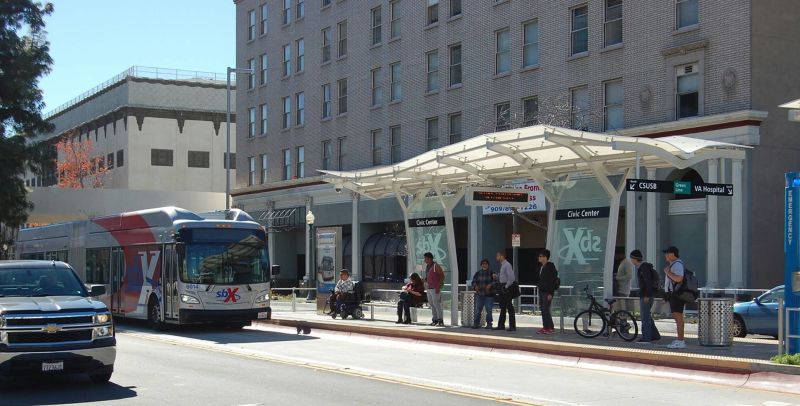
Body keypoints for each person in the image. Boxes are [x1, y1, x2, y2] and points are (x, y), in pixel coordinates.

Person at [631, 249, 661, 343]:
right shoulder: (644, 267)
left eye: (631, 258)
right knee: (647, 316)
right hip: (647, 294)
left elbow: (647, 282)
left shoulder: (643, 268)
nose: (631, 260)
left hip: (646, 295)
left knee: (645, 318)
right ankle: (655, 335)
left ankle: (646, 338)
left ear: (634, 258)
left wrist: (647, 295)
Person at [662, 246, 686, 349]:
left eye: (667, 253)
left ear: (672, 254)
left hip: (677, 295)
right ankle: (679, 339)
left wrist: (668, 272)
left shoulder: (677, 265)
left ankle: (681, 341)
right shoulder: (674, 264)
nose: (665, 256)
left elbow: (679, 278)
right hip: (674, 295)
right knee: (677, 318)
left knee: (679, 318)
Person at [493, 251, 516, 332]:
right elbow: (504, 277)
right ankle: (501, 325)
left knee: (509, 306)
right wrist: (497, 277)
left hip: (506, 287)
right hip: (502, 286)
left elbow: (511, 278)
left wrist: (506, 287)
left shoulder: (507, 265)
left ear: (502, 256)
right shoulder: (502, 265)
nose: (496, 257)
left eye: (498, 255)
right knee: (502, 306)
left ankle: (512, 326)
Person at [537, 249, 558, 334]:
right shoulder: (542, 267)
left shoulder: (550, 266)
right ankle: (548, 327)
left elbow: (552, 281)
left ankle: (547, 328)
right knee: (543, 309)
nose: (539, 258)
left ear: (545, 257)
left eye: (541, 256)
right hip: (542, 291)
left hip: (547, 292)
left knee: (545, 309)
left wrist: (550, 293)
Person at [471, 258, 496, 329]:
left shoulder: (492, 272)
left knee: (489, 310)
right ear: (481, 265)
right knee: (478, 310)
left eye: (486, 264)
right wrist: (475, 286)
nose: (484, 265)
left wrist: (490, 285)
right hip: (480, 295)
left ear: (488, 265)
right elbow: (473, 282)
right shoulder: (477, 273)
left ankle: (489, 324)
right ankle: (476, 323)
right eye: (483, 264)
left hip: (489, 295)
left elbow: (496, 281)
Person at [424, 252, 445, 326]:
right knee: (432, 304)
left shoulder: (436, 266)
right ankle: (434, 319)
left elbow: (442, 276)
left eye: (425, 258)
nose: (424, 260)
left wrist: (439, 286)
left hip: (435, 288)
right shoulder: (427, 266)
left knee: (437, 304)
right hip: (429, 288)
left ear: (430, 258)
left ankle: (440, 320)